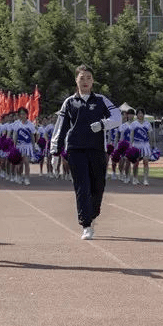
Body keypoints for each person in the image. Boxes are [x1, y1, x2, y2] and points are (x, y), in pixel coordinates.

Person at [51, 65, 121, 240]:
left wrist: (103, 124)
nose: (85, 81)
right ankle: (86, 225)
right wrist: (55, 152)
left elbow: (118, 117)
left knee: (98, 187)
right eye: (82, 78)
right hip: (75, 150)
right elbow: (60, 128)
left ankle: (92, 214)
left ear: (93, 81)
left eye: (88, 78)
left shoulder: (101, 100)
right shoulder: (69, 102)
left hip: (97, 150)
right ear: (76, 80)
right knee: (82, 187)